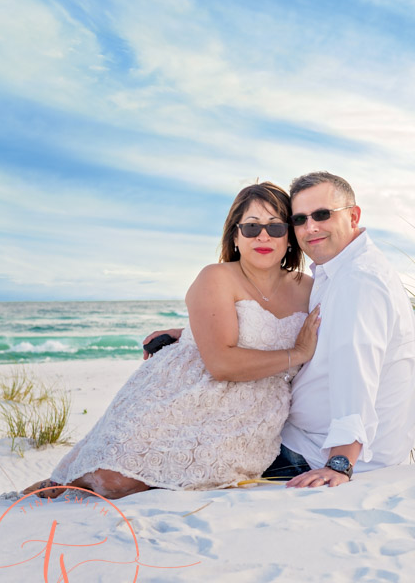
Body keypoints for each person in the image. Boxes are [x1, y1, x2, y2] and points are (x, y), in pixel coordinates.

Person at [23, 182, 320, 499]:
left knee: (182, 477)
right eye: (251, 227)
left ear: (290, 236)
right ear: (235, 236)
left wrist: (185, 330)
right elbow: (221, 364)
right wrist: (297, 353)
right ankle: (62, 484)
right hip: (183, 391)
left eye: (275, 226)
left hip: (251, 412)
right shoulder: (216, 276)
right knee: (113, 480)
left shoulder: (310, 287)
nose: (263, 236)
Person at [153, 171, 415, 488]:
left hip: (314, 454)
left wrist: (340, 462)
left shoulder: (358, 279)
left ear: (353, 216)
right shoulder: (336, 272)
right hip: (307, 440)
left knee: (176, 460)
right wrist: (190, 334)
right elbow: (275, 323)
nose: (311, 227)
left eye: (323, 215)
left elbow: (356, 368)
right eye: (300, 219)